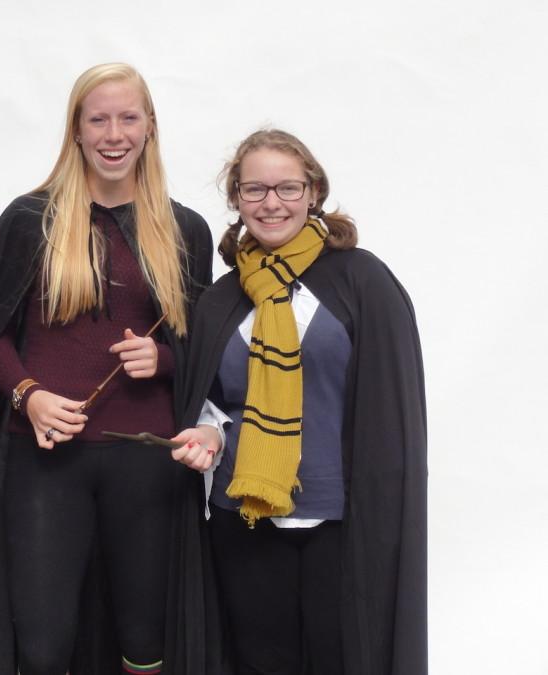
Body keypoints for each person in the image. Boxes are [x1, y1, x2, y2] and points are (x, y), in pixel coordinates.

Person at [0, 63, 219, 675]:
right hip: (46, 460)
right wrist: (29, 395)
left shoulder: (185, 228)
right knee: (42, 641)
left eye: (128, 118)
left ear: (150, 128)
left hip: (146, 459)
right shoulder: (29, 219)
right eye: (99, 119)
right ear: (76, 131)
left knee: (145, 634)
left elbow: (203, 352)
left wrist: (160, 358)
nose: (115, 133)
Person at [173, 129, 427, 675]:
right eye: (255, 190)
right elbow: (213, 402)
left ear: (314, 193)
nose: (271, 203)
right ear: (236, 200)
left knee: (342, 659)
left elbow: (390, 407)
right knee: (258, 663)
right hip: (242, 517)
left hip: (340, 519)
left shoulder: (362, 281)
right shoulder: (220, 298)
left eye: (287, 188)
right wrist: (208, 432)